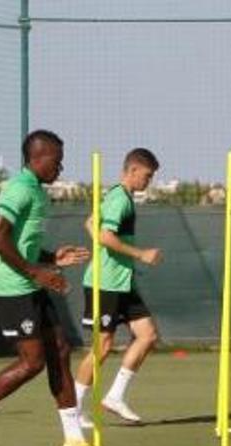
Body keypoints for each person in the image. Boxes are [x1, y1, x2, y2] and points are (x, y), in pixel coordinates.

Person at [0, 130, 109, 446]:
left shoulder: (36, 191)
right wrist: (36, 271)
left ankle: (74, 440)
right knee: (32, 362)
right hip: (9, 289)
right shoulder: (19, 189)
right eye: (56, 161)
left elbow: (21, 243)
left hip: (27, 283)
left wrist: (50, 257)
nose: (60, 167)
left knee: (60, 351)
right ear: (37, 158)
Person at [73, 148, 163, 426]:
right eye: (147, 176)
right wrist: (140, 254)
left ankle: (114, 397)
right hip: (106, 284)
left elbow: (90, 224)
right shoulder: (119, 200)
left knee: (147, 335)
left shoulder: (116, 196)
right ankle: (73, 409)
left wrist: (101, 241)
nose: (149, 181)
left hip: (123, 282)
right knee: (102, 346)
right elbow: (104, 234)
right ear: (133, 170)